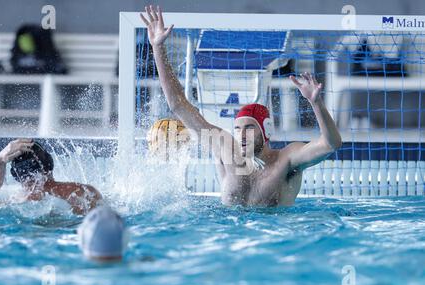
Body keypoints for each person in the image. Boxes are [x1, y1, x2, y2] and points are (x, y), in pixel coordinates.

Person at [140, 6, 342, 206]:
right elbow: (178, 105)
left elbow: (331, 144)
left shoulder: (286, 160)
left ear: (266, 130)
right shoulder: (225, 149)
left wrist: (316, 103)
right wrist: (158, 47)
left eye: (249, 128)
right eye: (237, 128)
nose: (241, 135)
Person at [10, 141, 102, 214]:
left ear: (16, 175)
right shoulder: (85, 191)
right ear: (49, 164)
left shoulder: (15, 201)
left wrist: (0, 161)